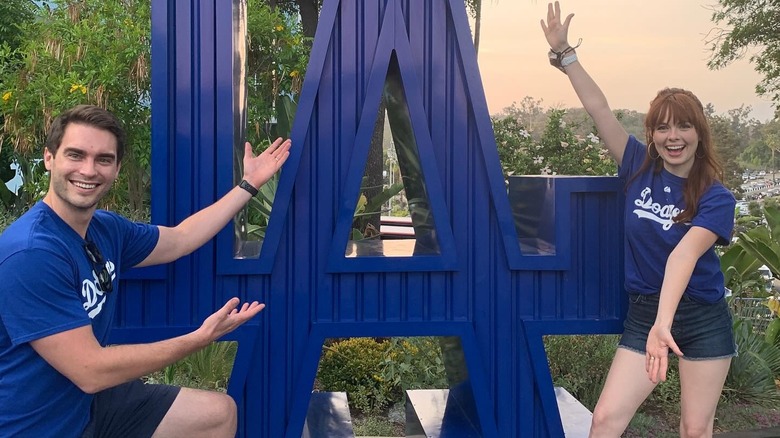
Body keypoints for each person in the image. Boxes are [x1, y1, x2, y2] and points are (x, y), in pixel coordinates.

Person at [0, 104, 291, 437]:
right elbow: (90, 370)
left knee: (216, 414)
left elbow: (180, 238)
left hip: (85, 405)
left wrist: (249, 184)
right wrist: (197, 340)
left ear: (117, 168)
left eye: (103, 159)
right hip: (36, 426)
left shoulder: (105, 229)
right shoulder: (32, 253)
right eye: (75, 155)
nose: (89, 170)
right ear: (50, 158)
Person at [541, 3, 737, 437]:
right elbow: (599, 111)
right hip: (646, 312)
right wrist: (566, 55)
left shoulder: (716, 197)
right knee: (606, 418)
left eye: (684, 127)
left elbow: (684, 256)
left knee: (694, 429)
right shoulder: (636, 167)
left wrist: (666, 324)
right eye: (662, 128)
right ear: (651, 134)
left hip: (702, 316)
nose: (673, 137)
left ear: (699, 133)